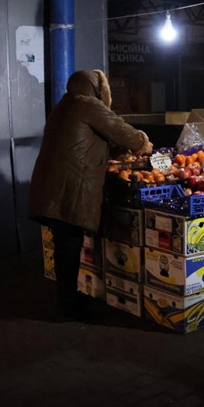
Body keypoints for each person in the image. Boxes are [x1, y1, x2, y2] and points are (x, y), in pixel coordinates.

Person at [29, 70, 152, 319]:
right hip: (68, 189)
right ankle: (67, 308)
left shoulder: (65, 105)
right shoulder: (87, 104)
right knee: (69, 246)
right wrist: (142, 143)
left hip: (51, 188)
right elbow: (118, 129)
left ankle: (68, 299)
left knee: (64, 245)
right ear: (96, 89)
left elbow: (91, 138)